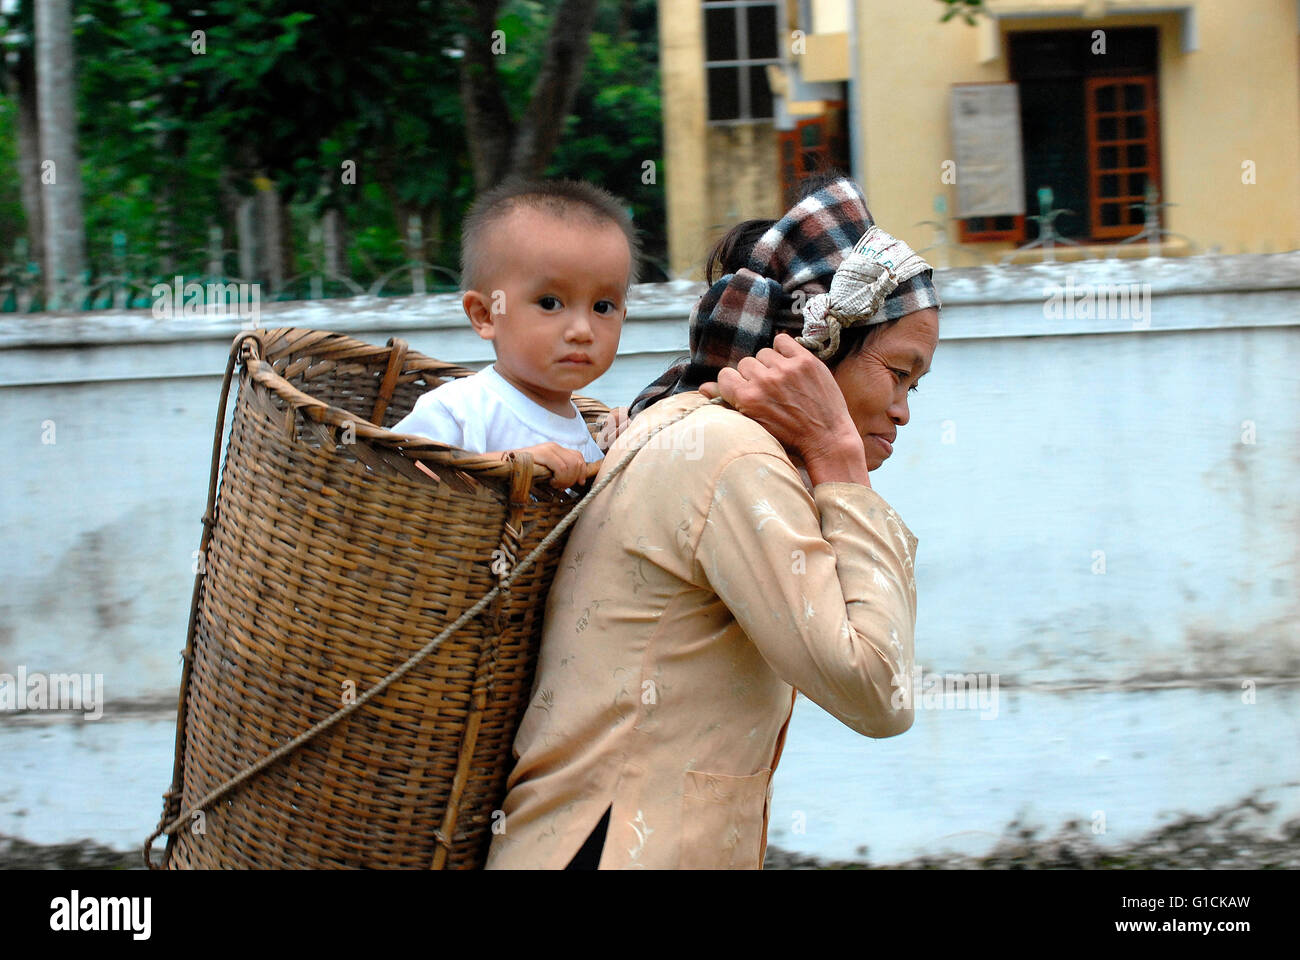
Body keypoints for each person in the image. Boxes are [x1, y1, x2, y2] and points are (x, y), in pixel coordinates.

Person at [484, 173, 941, 869]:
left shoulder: (681, 423)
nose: (905, 409)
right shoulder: (730, 457)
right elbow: (880, 691)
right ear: (813, 349)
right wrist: (838, 457)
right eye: (898, 374)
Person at [391, 178, 638, 488]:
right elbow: (391, 476)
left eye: (602, 307)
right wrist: (509, 464)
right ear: (485, 314)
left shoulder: (583, 434)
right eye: (550, 303)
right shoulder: (461, 408)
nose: (582, 331)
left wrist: (614, 446)